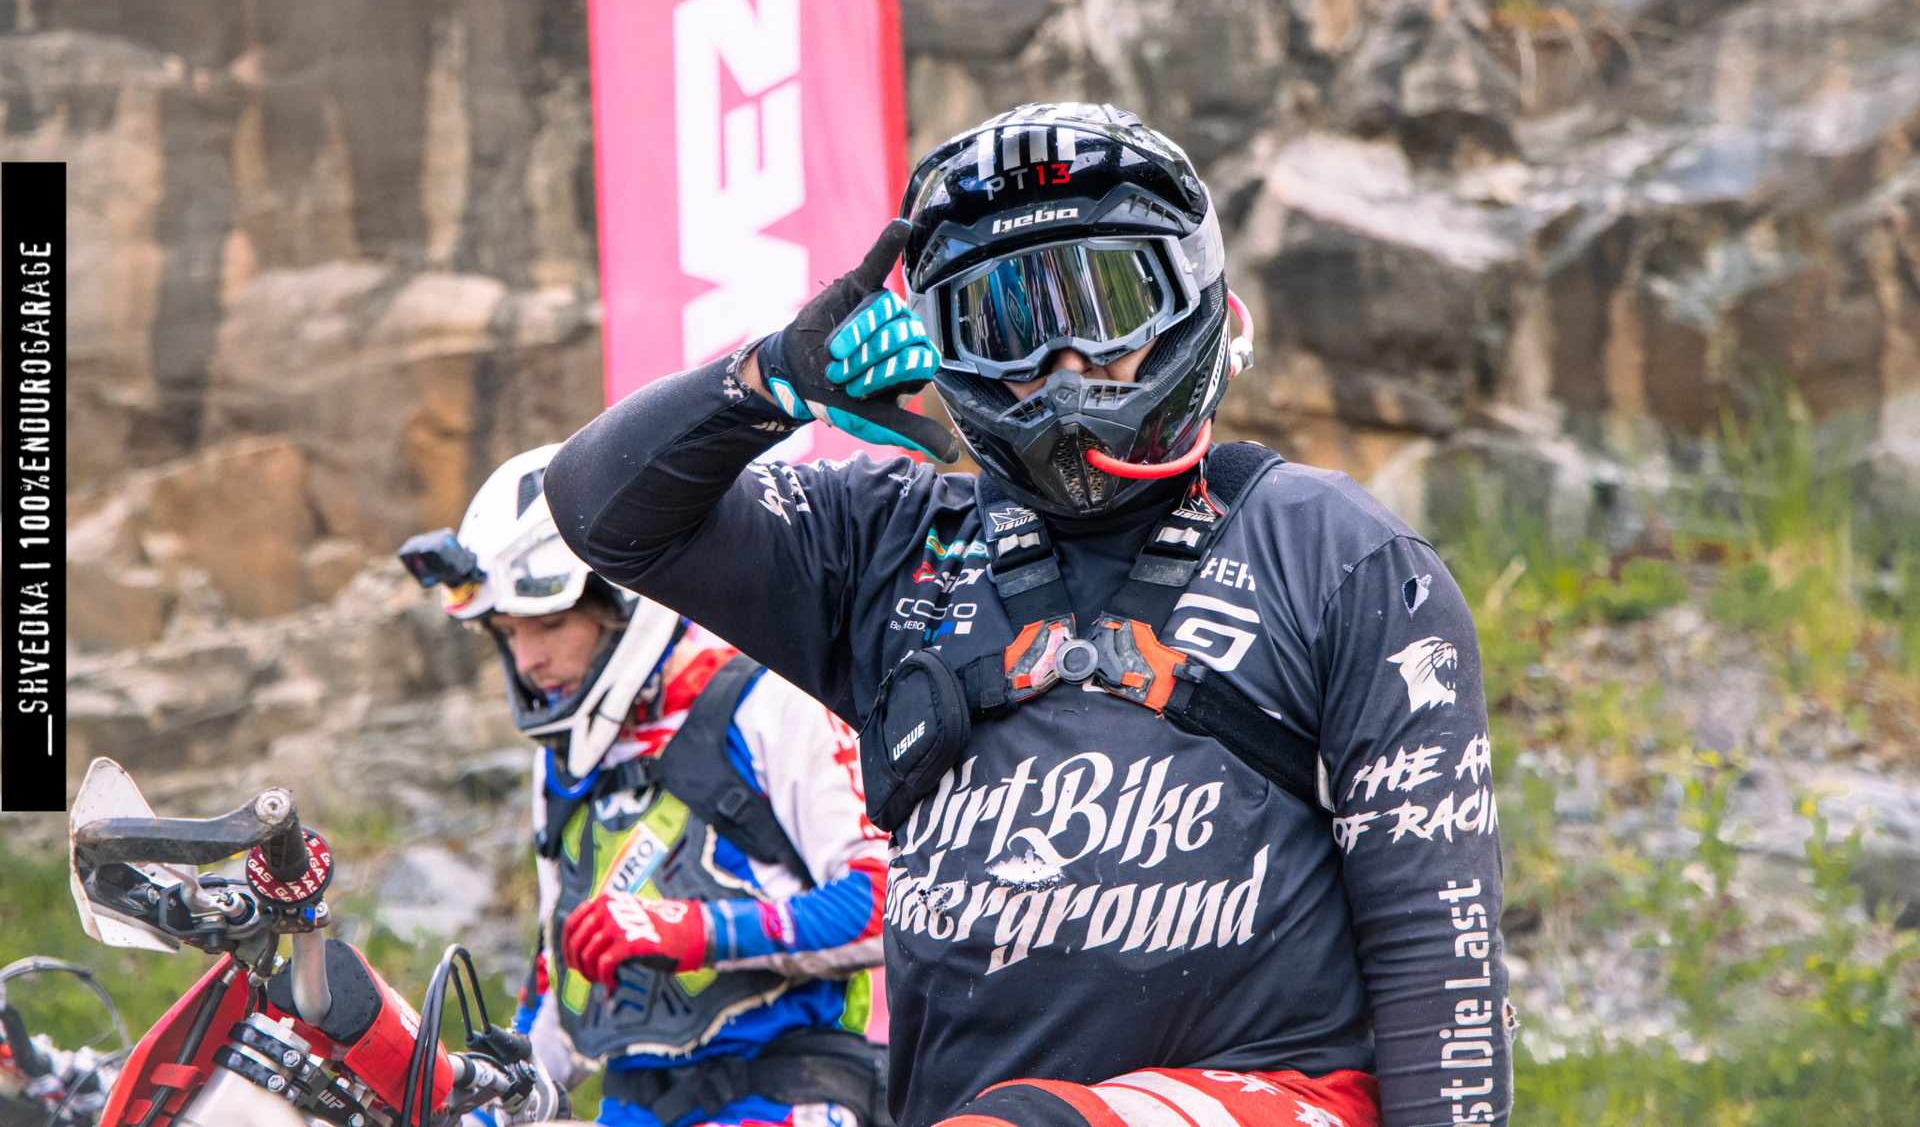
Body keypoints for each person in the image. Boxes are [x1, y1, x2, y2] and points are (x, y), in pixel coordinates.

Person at [543, 103, 1513, 1127]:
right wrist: (771, 376)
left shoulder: (1342, 554)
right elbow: (600, 508)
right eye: (1006, 322)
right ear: (948, 347)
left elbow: (1438, 952)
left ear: (1190, 296)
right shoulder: (887, 543)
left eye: (1105, 304)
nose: (1064, 363)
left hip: (1286, 1097)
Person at [396, 445, 892, 1127]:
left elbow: (886, 906)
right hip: (630, 1108)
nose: (528, 658)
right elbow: (560, 988)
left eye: (549, 623)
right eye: (507, 632)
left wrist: (697, 929)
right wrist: (483, 1099)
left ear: (625, 602)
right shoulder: (562, 762)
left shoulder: (770, 698)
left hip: (785, 1096)